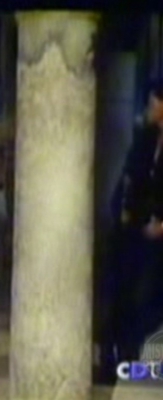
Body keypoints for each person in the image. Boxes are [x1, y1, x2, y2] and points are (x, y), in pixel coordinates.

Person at [97, 80, 163, 383]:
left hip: (157, 234)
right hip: (134, 227)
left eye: (154, 102)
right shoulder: (145, 138)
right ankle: (111, 357)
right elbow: (129, 177)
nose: (149, 108)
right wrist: (123, 210)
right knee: (115, 287)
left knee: (142, 298)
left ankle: (130, 357)